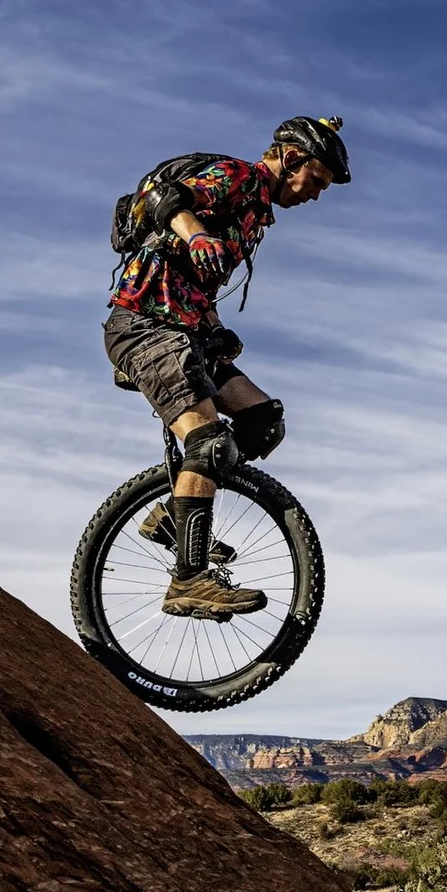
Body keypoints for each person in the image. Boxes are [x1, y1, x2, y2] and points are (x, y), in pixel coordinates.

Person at [102, 115, 349, 618]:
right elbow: (164, 200)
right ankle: (188, 581)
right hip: (145, 324)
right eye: (316, 181)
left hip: (187, 331)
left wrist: (214, 326)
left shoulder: (256, 215)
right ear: (292, 158)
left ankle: (173, 518)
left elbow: (196, 280)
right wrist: (195, 234)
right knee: (209, 442)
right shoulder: (240, 178)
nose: (316, 195)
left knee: (262, 424)